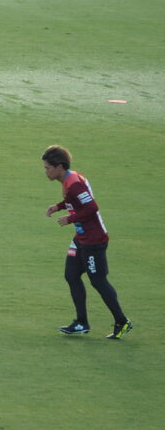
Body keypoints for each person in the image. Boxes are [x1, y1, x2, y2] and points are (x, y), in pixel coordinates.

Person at [42, 145, 133, 339]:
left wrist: (69, 219)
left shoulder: (74, 183)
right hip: (81, 238)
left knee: (98, 281)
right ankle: (81, 322)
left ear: (59, 166)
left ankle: (122, 321)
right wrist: (58, 207)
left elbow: (91, 207)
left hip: (94, 240)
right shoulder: (68, 180)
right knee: (71, 274)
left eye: (47, 168)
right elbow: (74, 202)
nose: (46, 172)